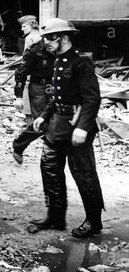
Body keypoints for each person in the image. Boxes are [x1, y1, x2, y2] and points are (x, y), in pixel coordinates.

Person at [31, 18, 104, 239]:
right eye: (45, 38)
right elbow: (56, 97)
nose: (46, 43)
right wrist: (44, 116)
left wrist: (83, 128)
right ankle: (55, 216)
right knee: (50, 168)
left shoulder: (81, 63)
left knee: (84, 174)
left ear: (63, 37)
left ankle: (94, 221)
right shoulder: (57, 61)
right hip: (58, 126)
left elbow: (92, 99)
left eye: (50, 38)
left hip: (76, 126)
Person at [12, 34, 55, 164]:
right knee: (42, 123)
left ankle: (53, 154)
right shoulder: (33, 51)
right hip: (38, 89)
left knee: (57, 120)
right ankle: (19, 145)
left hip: (52, 86)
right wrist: (19, 96)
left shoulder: (58, 48)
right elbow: (21, 73)